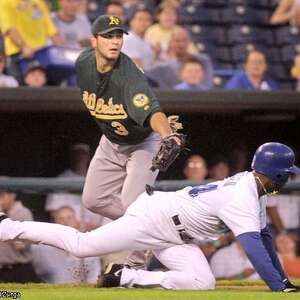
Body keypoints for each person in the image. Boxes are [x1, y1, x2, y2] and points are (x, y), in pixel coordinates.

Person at [1, 142, 300, 291]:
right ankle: (8, 226)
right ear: (273, 173)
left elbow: (264, 240)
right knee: (82, 245)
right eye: (286, 174)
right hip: (154, 218)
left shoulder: (254, 188)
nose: (288, 179)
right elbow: (254, 249)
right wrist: (278, 288)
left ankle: (125, 276)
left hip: (177, 234)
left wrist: (283, 281)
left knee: (202, 283)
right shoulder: (242, 195)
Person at [75, 14, 182, 269]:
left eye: (118, 35)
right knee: (92, 200)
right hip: (111, 141)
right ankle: (153, 228)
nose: (115, 41)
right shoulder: (82, 63)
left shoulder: (130, 77)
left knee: (132, 203)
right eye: (108, 36)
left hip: (143, 143)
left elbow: (153, 111)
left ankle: (135, 269)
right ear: (94, 41)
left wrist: (168, 134)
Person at [31, 206, 101, 283]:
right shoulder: (42, 249)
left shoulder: (89, 249)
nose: (65, 222)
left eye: (69, 218)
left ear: (77, 222)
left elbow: (94, 279)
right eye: (61, 219)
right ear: (55, 224)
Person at [0, 0, 63, 83]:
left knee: (51, 88)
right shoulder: (5, 2)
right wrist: (23, 47)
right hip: (19, 56)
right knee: (17, 90)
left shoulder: (39, 2)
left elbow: (51, 30)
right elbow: (9, 29)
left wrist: (62, 49)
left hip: (42, 55)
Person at [45, 143, 102, 230]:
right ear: (71, 156)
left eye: (83, 154)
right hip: (69, 229)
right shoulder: (61, 179)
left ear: (88, 157)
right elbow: (53, 211)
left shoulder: (97, 178)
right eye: (76, 154)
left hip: (98, 229)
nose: (80, 157)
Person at [146, 27, 213, 89]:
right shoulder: (163, 66)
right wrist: (156, 56)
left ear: (189, 42)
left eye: (184, 40)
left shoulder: (202, 60)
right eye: (177, 41)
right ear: (170, 43)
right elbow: (145, 74)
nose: (181, 45)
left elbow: (207, 84)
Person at [0, 190, 40, 283]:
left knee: (21, 297)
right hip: (1, 271)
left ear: (12, 195)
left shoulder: (23, 213)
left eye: (2, 195)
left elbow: (20, 246)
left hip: (19, 270)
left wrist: (2, 217)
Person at [122, 7, 155, 71]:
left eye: (147, 20)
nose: (143, 23)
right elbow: (137, 68)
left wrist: (156, 54)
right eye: (140, 19)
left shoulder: (146, 41)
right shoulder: (128, 39)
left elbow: (150, 64)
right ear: (131, 22)